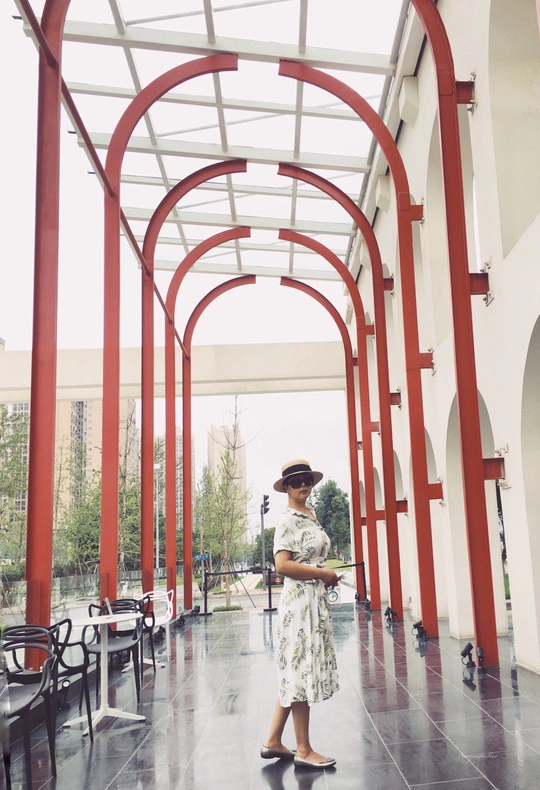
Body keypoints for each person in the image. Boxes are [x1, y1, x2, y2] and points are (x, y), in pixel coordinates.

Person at [261, 460, 340, 770]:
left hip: (312, 600)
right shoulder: (287, 520)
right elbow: (282, 565)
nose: (303, 485)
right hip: (299, 604)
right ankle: (303, 750)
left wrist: (323, 574)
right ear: (286, 488)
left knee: (294, 671)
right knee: (300, 671)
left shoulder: (310, 514)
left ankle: (273, 741)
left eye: (307, 479)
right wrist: (321, 574)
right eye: (295, 482)